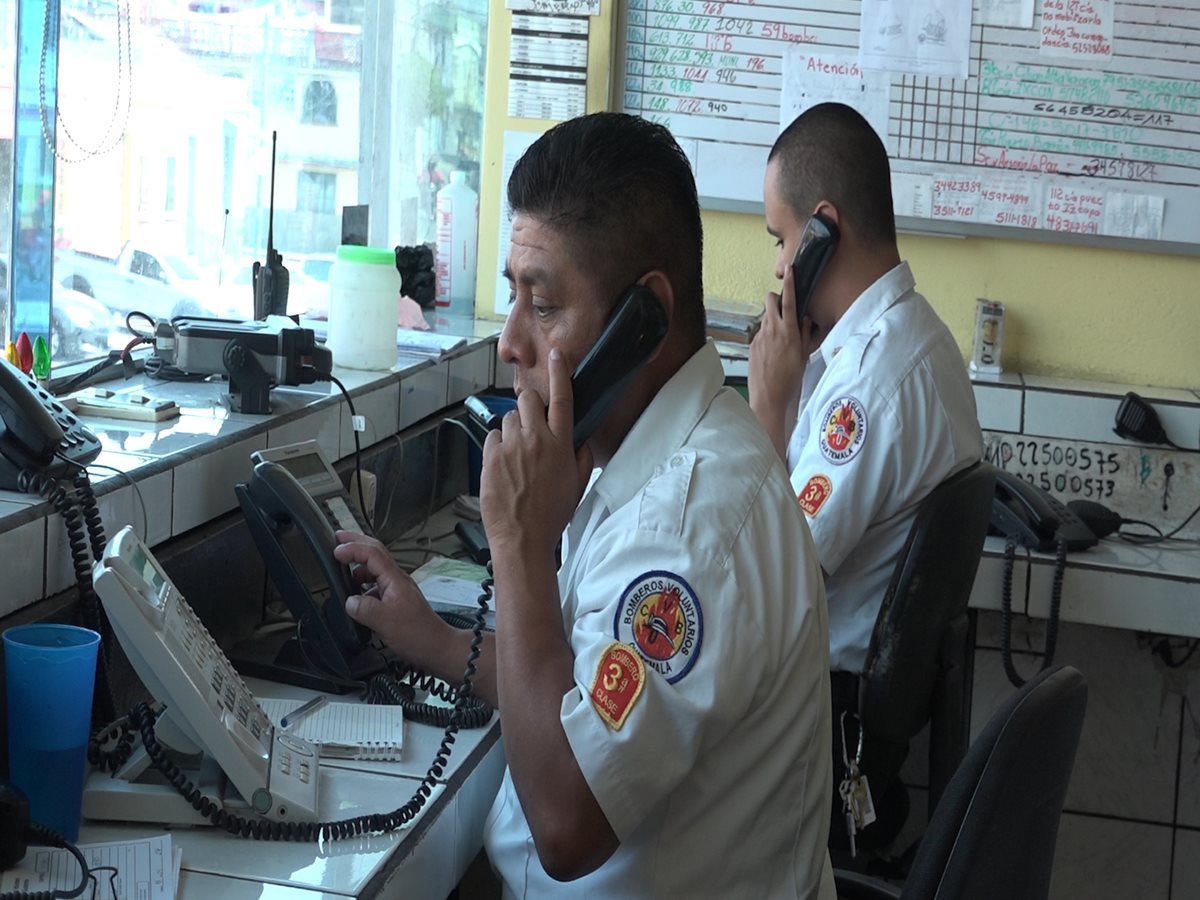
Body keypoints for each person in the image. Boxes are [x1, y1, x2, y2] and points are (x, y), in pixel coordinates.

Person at [335, 112, 836, 897]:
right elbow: (586, 699)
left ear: (644, 321)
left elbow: (568, 825)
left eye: (543, 304)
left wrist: (520, 546)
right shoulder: (654, 454)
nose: (510, 343)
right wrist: (435, 641)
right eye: (513, 296)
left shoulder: (689, 524)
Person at [748, 102, 983, 853]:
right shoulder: (912, 340)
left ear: (824, 228)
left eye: (782, 240)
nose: (780, 268)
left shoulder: (871, 389)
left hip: (813, 736)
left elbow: (762, 576)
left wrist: (769, 406)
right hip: (839, 726)